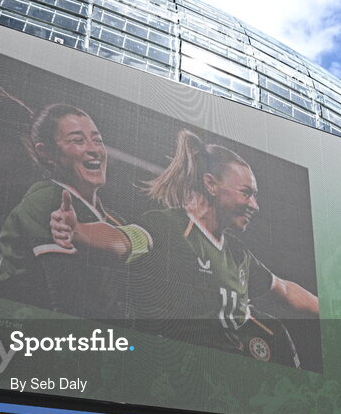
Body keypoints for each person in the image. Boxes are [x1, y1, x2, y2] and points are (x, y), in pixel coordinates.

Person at [51, 129, 318, 366]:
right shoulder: (169, 227)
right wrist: (80, 231)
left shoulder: (237, 254)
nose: (254, 205)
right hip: (173, 375)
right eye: (246, 193)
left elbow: (283, 289)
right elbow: (124, 240)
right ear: (210, 184)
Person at [0, 103, 141, 316]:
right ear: (46, 152)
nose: (94, 150)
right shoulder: (47, 199)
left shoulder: (113, 219)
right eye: (77, 140)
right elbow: (68, 299)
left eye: (97, 140)